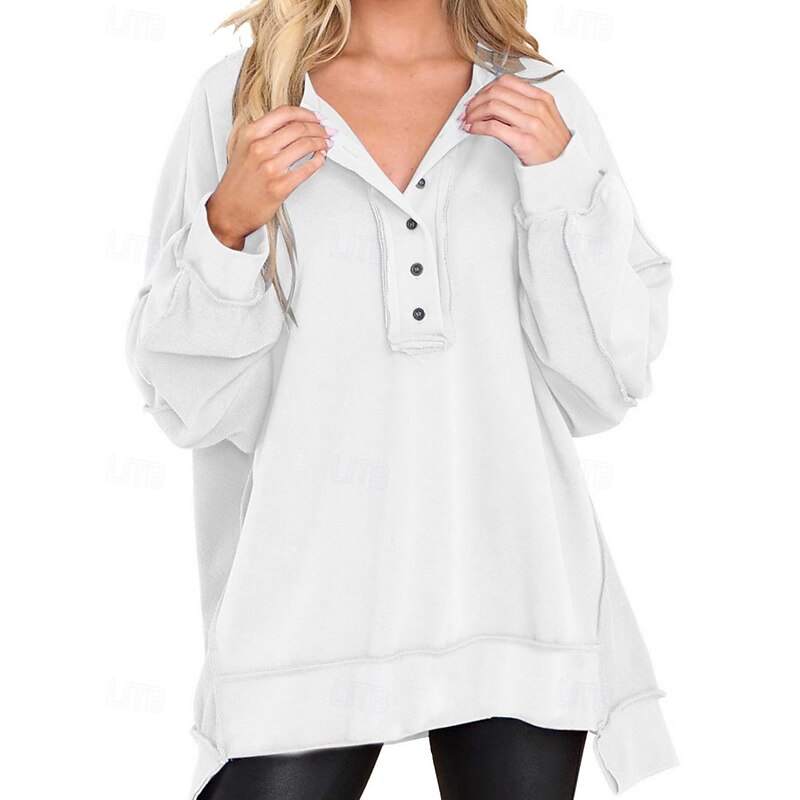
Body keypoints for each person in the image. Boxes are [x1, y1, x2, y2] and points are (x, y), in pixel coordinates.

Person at [125, 0, 679, 797]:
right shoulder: (245, 97)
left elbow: (606, 382)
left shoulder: (542, 99)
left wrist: (559, 181)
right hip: (306, 612)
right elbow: (187, 402)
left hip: (516, 596)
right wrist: (227, 227)